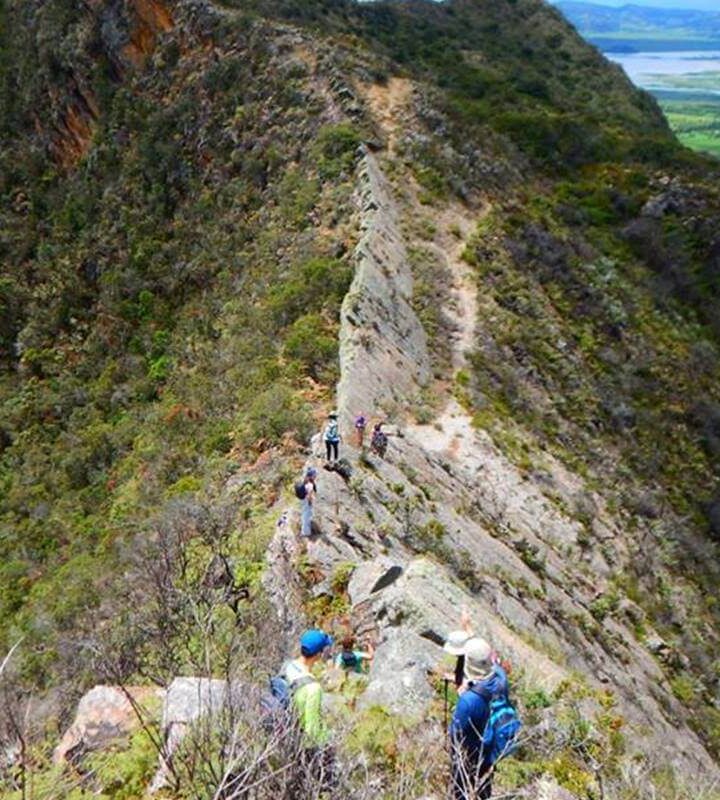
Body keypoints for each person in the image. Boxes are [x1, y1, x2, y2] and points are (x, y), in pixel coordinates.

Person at [284, 629, 335, 793]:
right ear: (318, 654)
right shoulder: (313, 688)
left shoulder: (288, 666)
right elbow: (312, 730)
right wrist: (328, 742)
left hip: (287, 735)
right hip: (304, 747)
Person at [449, 637, 497, 800]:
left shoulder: (468, 701)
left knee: (461, 792)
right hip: (488, 751)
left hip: (469, 756)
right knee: (483, 790)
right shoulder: (497, 683)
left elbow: (455, 733)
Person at [300, 467, 317, 537]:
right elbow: (309, 494)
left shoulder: (306, 481)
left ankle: (304, 531)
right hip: (307, 501)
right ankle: (306, 533)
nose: (315, 476)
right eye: (314, 475)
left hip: (303, 500)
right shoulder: (310, 484)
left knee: (305, 515)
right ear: (311, 476)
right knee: (306, 516)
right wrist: (310, 502)